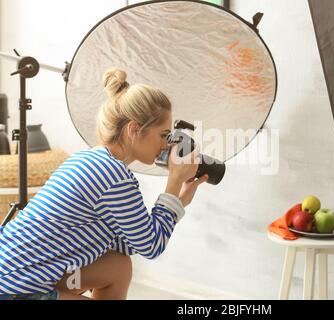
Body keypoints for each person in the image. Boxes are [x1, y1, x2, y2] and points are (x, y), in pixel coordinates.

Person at [0, 68, 208, 300]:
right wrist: (175, 180)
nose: (166, 146)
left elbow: (127, 244)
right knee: (118, 265)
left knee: (118, 267)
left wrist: (177, 201)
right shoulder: (114, 176)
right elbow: (152, 247)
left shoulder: (89, 158)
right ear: (134, 129)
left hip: (16, 274)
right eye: (163, 135)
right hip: (15, 290)